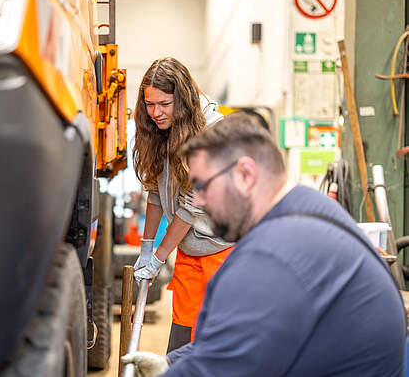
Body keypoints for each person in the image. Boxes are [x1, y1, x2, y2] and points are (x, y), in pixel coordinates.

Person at [123, 112, 406, 376]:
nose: (198, 201)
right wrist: (173, 361)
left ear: (245, 175)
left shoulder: (274, 253)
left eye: (202, 186)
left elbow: (231, 364)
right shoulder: (306, 207)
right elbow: (246, 331)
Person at [131, 57, 233, 352]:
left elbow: (192, 206)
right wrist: (147, 245)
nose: (156, 113)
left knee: (218, 338)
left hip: (226, 248)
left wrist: (160, 256)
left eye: (164, 104)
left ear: (182, 100)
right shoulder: (159, 132)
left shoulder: (211, 134)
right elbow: (154, 190)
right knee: (181, 335)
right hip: (190, 246)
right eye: (150, 105)